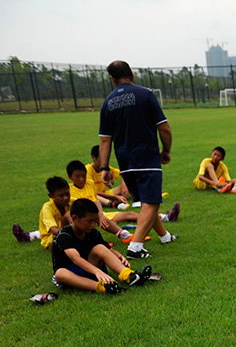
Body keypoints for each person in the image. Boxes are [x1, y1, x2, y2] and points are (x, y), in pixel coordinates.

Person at [98, 60, 177, 259]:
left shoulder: (107, 103)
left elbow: (105, 140)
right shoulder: (145, 94)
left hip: (125, 162)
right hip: (146, 158)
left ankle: (165, 236)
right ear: (132, 75)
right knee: (151, 203)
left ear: (112, 79)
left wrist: (105, 167)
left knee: (146, 203)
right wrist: (166, 150)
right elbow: (164, 128)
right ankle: (135, 247)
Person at [51, 198, 153, 294]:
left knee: (99, 247)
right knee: (60, 273)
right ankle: (103, 287)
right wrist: (97, 271)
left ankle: (130, 276)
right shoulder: (64, 235)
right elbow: (75, 258)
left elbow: (106, 249)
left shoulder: (93, 233)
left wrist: (118, 256)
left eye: (95, 221)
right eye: (89, 221)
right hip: (73, 275)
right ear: (74, 218)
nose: (93, 224)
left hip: (92, 268)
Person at [12, 176, 71, 246]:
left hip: (65, 231)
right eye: (61, 196)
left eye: (67, 194)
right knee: (68, 214)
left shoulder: (74, 201)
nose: (65, 198)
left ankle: (31, 235)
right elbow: (53, 229)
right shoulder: (47, 208)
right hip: (51, 239)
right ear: (51, 196)